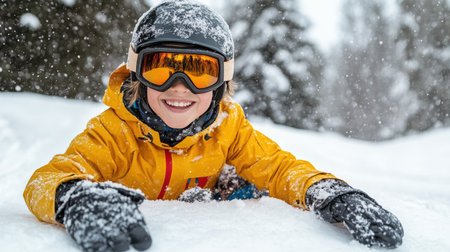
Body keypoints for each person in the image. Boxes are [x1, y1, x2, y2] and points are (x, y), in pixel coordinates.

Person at [23, 1, 404, 251]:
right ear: (137, 72)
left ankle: (225, 185)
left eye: (199, 73)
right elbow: (46, 180)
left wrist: (332, 193)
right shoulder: (114, 132)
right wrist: (74, 199)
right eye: (161, 68)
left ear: (222, 82)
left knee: (249, 184)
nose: (179, 88)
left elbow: (281, 168)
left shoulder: (228, 128)